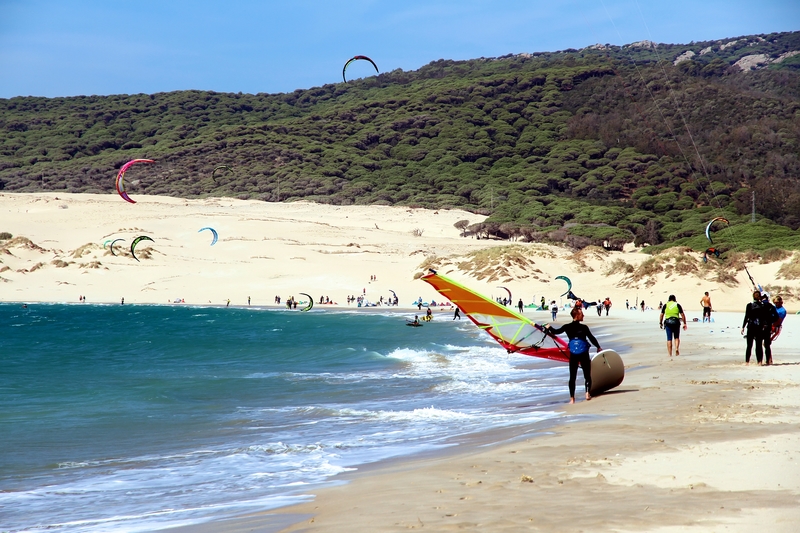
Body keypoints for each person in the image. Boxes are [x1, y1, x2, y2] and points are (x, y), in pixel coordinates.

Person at [547, 306, 601, 404]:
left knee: (572, 377)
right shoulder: (584, 327)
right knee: (587, 375)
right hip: (584, 353)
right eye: (581, 314)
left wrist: (548, 327)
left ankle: (572, 399)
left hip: (573, 355)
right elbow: (591, 338)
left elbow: (555, 332)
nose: (583, 315)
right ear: (576, 315)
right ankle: (587, 393)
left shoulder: (567, 327)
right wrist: (598, 347)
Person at [741, 290, 777, 365]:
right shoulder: (763, 306)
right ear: (760, 297)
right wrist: (765, 324)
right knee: (758, 345)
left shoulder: (749, 305)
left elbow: (746, 317)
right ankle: (759, 362)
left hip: (751, 326)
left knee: (749, 345)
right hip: (759, 327)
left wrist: (743, 327)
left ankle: (747, 362)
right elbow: (764, 317)